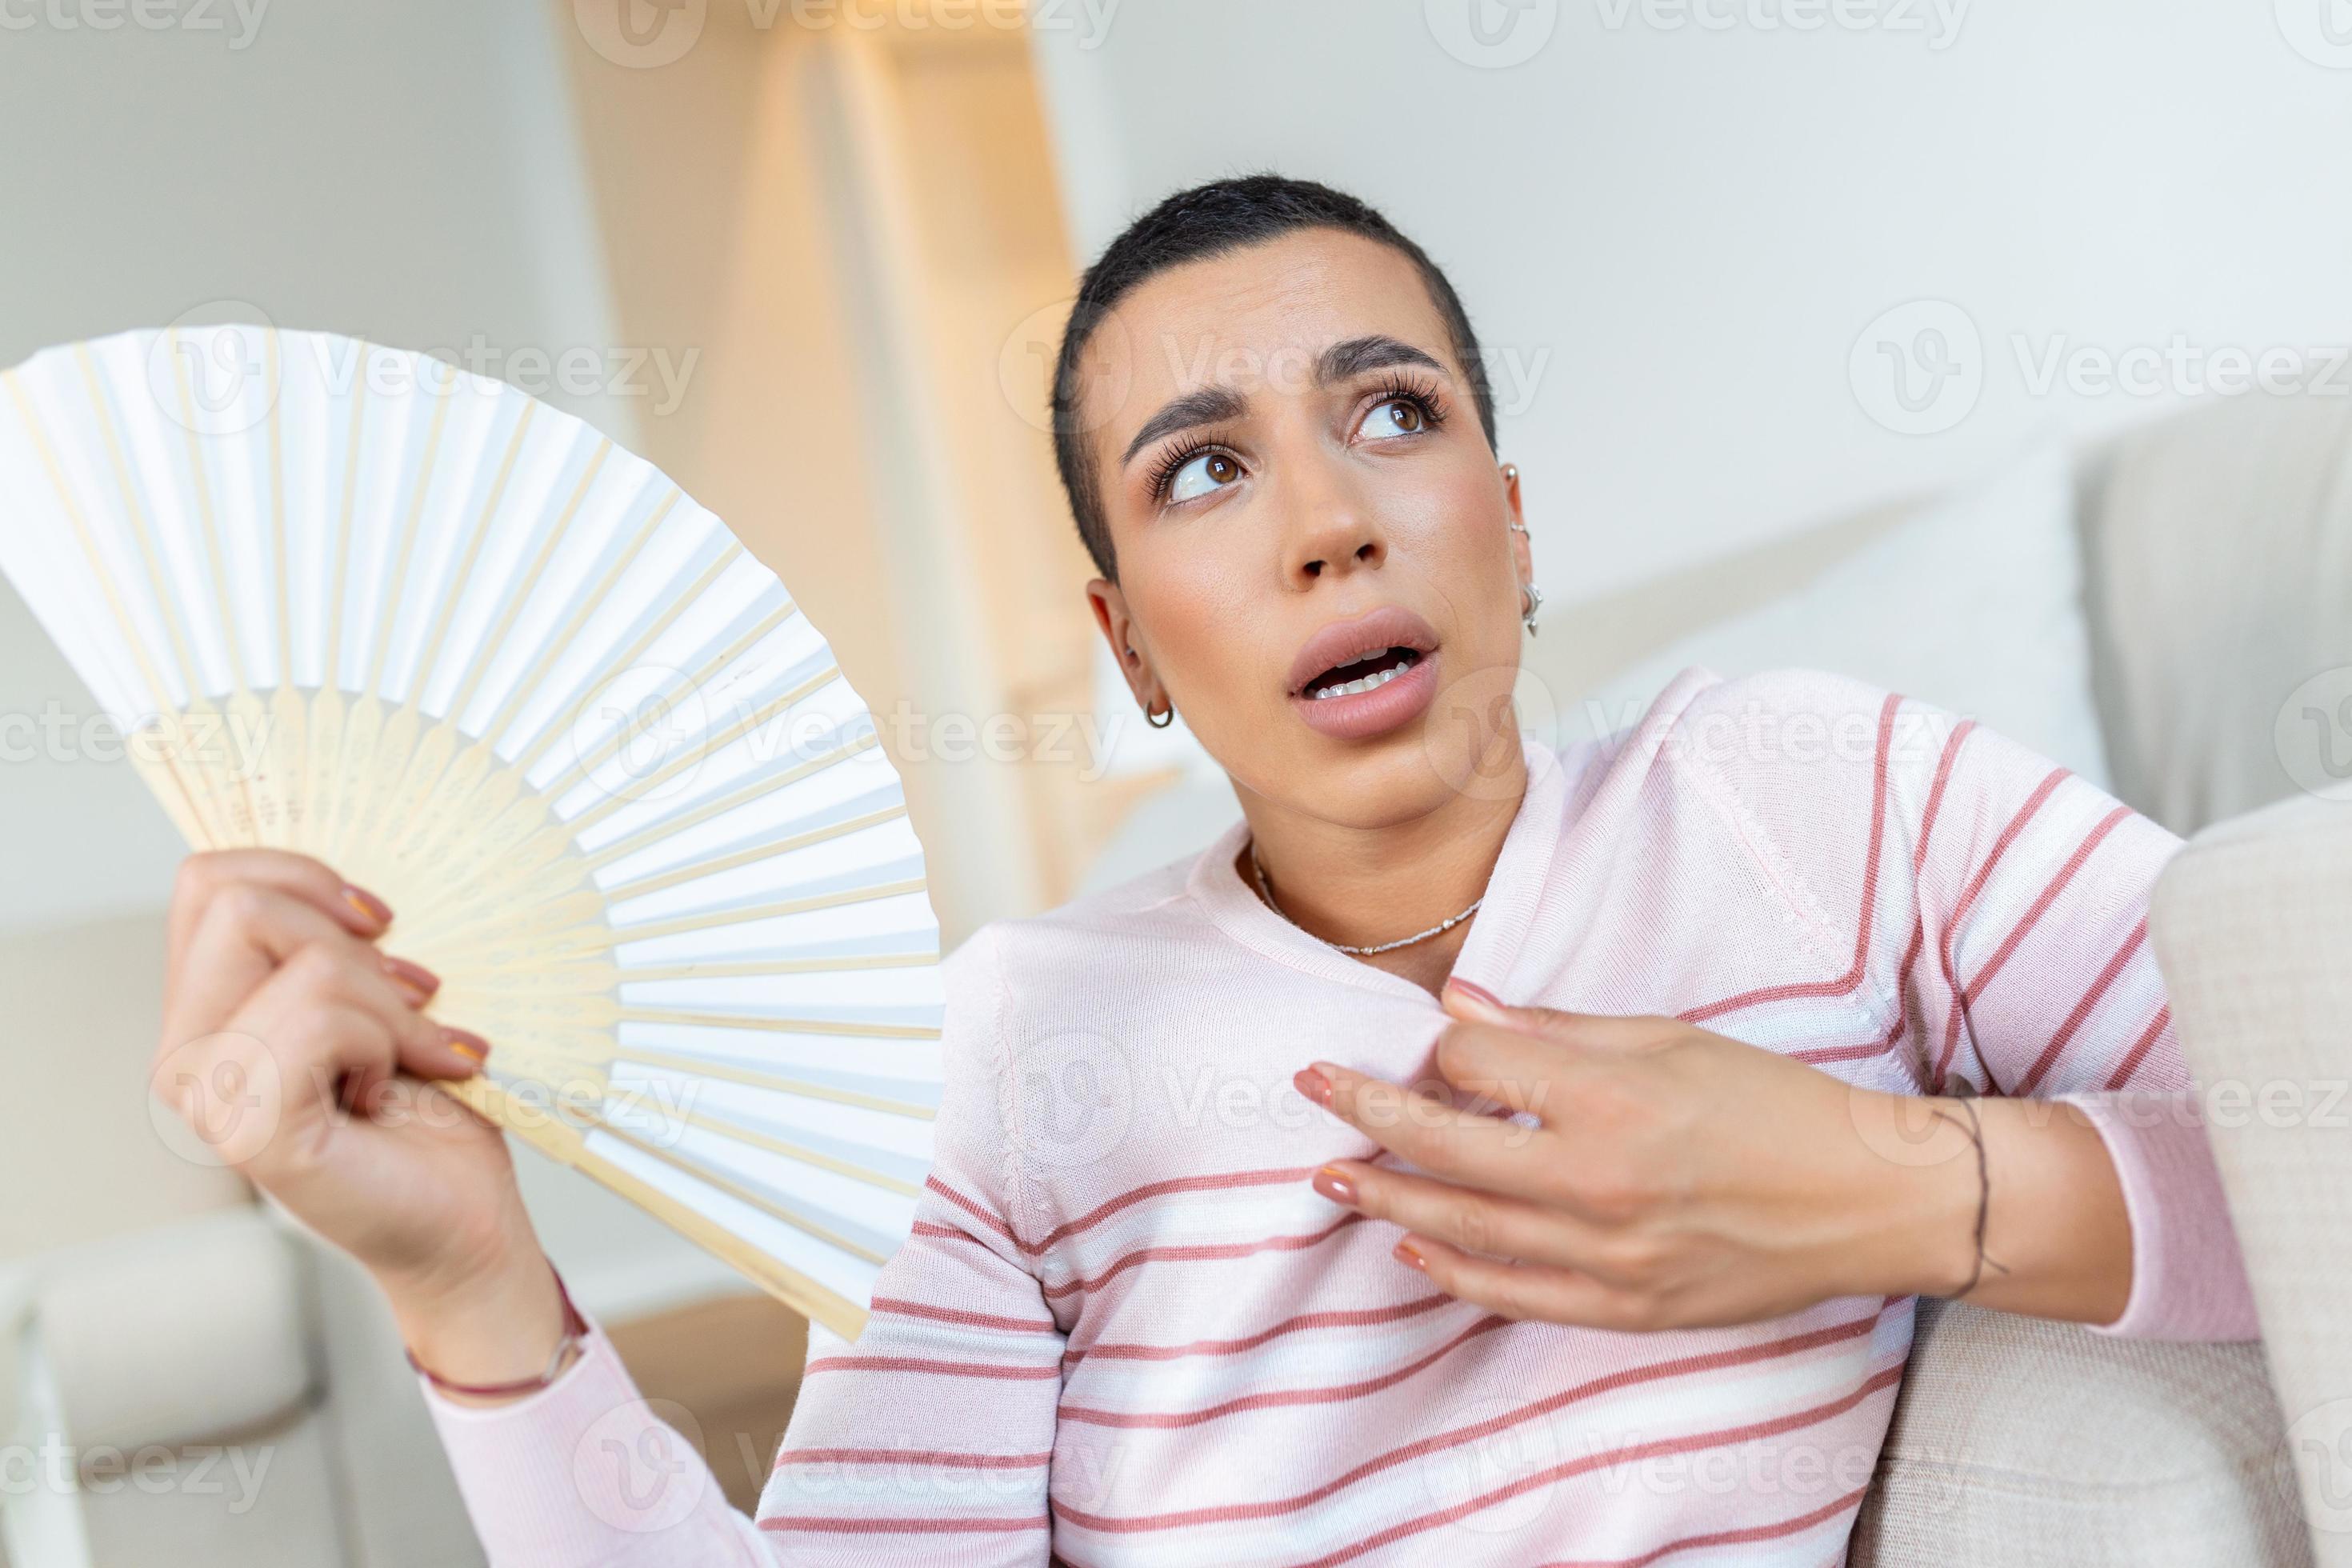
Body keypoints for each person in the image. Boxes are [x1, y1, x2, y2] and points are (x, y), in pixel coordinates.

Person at [155, 175, 2255, 1566]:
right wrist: (466, 1287)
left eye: (1395, 415)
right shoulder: (1010, 1052)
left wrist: (1877, 1188)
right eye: (1205, 472)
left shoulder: (1820, 803)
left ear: (1514, 520)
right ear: (1133, 647)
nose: (1328, 523)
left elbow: (2316, 1148)